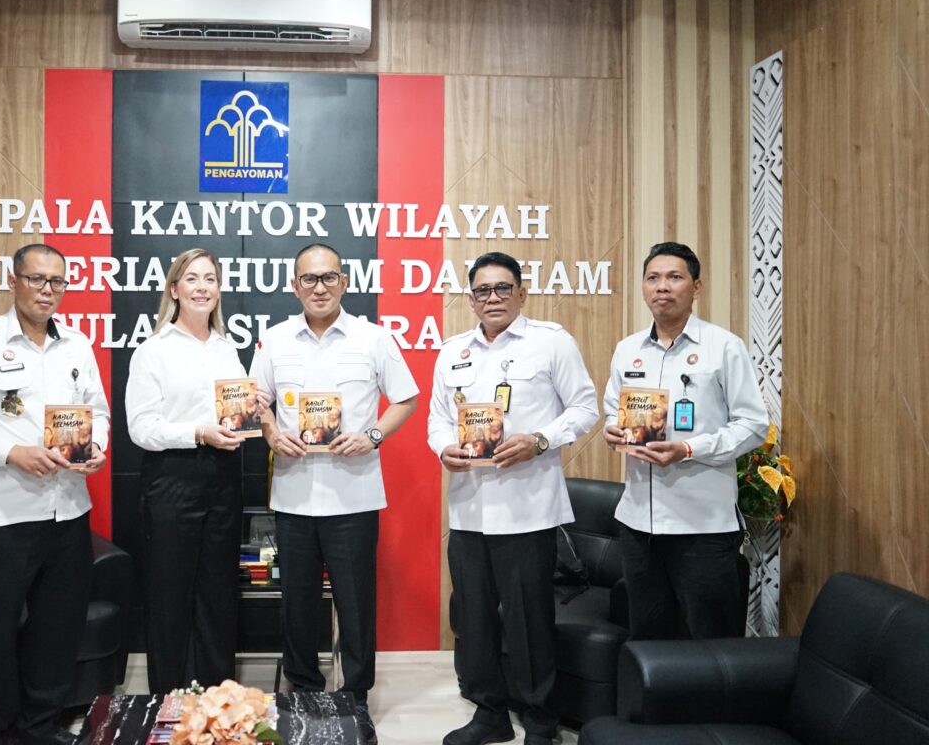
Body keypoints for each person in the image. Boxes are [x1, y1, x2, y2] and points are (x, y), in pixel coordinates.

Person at [0, 243, 110, 745]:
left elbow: (98, 410)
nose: (47, 290)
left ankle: (41, 729)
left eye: (57, 282)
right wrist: (12, 452)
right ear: (14, 282)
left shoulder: (76, 345)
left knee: (56, 633)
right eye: (37, 279)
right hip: (1, 518)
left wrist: (97, 446)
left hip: (68, 511)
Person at [428, 251, 598, 745]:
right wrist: (444, 447)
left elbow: (586, 407)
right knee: (475, 621)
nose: (493, 298)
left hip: (528, 509)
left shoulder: (551, 344)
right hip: (468, 510)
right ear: (470, 298)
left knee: (529, 624)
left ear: (522, 294)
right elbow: (438, 418)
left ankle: (541, 722)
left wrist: (540, 440)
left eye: (503, 288)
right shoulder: (452, 351)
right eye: (482, 290)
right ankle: (490, 714)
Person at [250, 243, 418, 712]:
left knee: (356, 602)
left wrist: (372, 435)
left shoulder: (373, 338)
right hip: (294, 494)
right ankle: (303, 687)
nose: (319, 287)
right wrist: (270, 434)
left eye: (328, 278)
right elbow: (256, 402)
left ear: (344, 282)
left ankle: (355, 693)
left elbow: (405, 399)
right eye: (309, 279)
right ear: (293, 286)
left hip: (354, 494)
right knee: (297, 601)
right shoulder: (275, 339)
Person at [603, 242, 768, 640]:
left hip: (703, 526)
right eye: (653, 278)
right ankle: (656, 706)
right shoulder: (628, 350)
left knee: (710, 640)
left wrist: (689, 449)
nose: (663, 287)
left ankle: (714, 707)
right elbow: (613, 409)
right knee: (648, 637)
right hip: (638, 523)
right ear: (643, 287)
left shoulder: (723, 346)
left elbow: (753, 424)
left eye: (675, 277)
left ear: (696, 287)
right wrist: (613, 430)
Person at [125, 248, 253, 694]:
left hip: (223, 477)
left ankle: (219, 696)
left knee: (218, 593)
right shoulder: (153, 351)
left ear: (219, 290)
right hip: (172, 479)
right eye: (192, 279)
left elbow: (237, 412)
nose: (202, 287)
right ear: (174, 290)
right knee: (169, 594)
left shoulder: (228, 349)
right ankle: (170, 699)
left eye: (211, 279)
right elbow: (141, 428)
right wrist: (199, 432)